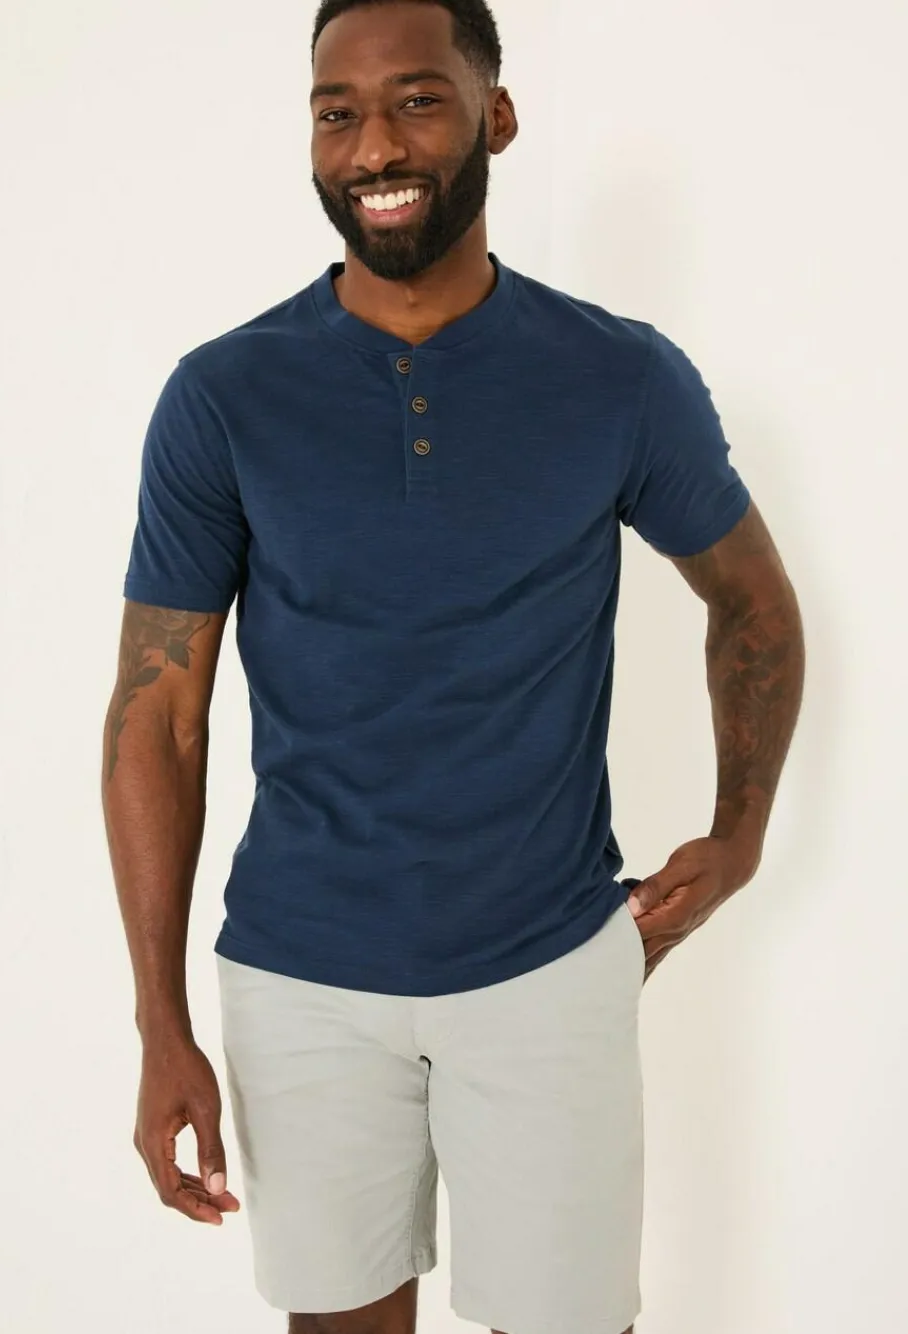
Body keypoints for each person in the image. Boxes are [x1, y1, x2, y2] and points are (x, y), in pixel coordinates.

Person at [101, 2, 805, 1332]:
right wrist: (158, 1018)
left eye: (417, 100)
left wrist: (743, 834)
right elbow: (159, 715)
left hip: (548, 965)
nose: (375, 146)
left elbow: (753, 604)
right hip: (301, 980)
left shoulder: (618, 376)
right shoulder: (224, 395)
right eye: (338, 113)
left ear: (498, 115)